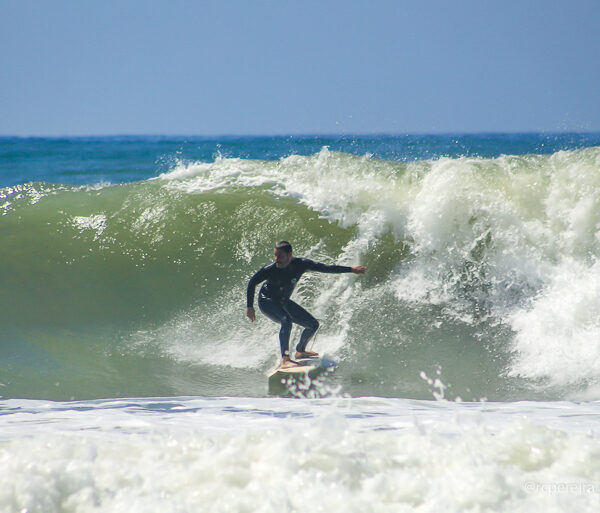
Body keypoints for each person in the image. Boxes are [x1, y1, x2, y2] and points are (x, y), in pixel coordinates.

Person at [246, 241, 366, 368]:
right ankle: (285, 359)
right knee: (286, 320)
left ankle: (300, 351)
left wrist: (351, 269)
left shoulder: (301, 264)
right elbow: (252, 283)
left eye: (280, 256)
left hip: (283, 301)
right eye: (275, 255)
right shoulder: (269, 269)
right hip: (267, 300)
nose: (277, 259)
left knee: (313, 324)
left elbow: (326, 268)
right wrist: (250, 306)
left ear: (289, 255)